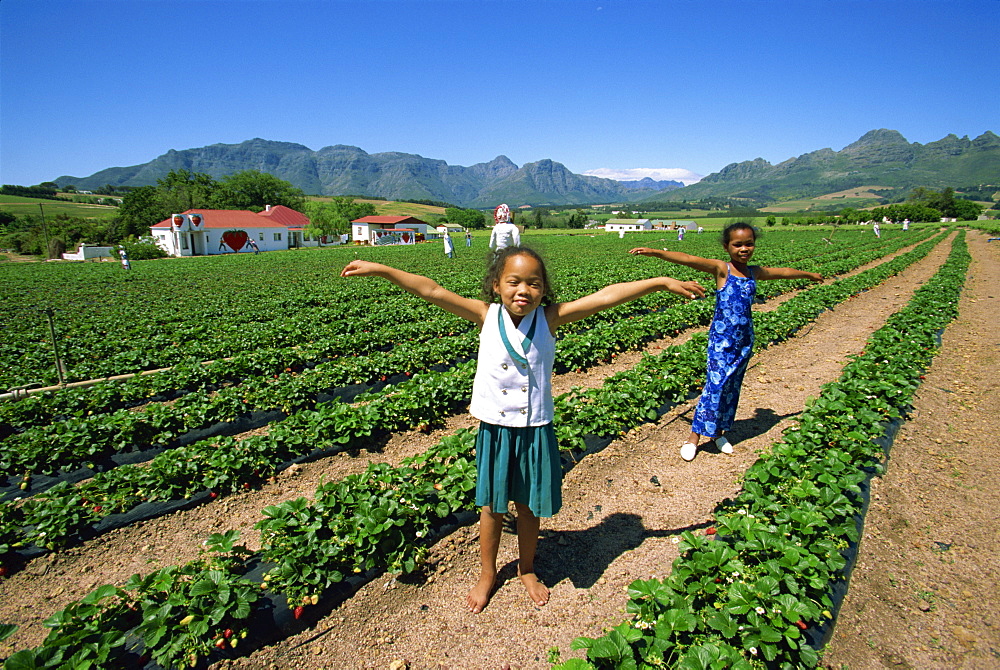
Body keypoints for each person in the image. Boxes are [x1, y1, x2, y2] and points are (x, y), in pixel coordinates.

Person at [340, 247, 705, 612]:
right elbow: (431, 290)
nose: (523, 290)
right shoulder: (485, 315)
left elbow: (606, 296)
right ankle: (487, 574)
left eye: (534, 283)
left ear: (544, 290)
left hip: (534, 430)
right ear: (496, 285)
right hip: (496, 430)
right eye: (513, 281)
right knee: (492, 507)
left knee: (529, 508)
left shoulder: (549, 319)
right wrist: (383, 269)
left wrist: (660, 281)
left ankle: (526, 568)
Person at [629, 222, 822, 461]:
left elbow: (782, 272)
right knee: (715, 386)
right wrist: (657, 252)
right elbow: (688, 258)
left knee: (732, 387)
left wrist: (809, 274)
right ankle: (694, 438)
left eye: (749, 244)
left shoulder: (754, 272)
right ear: (726, 246)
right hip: (722, 340)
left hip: (744, 339)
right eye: (737, 244)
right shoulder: (723, 270)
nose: (744, 249)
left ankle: (719, 433)